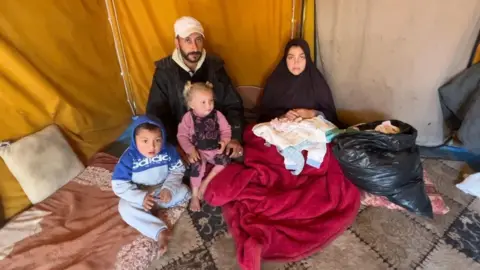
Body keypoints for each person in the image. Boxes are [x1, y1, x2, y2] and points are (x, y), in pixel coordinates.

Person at [146, 16, 244, 159]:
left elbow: (233, 105)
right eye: (187, 40)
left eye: (198, 39)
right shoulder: (165, 72)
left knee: (239, 164)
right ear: (177, 42)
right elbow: (157, 114)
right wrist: (176, 146)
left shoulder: (215, 67)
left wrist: (234, 137)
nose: (194, 47)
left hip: (217, 140)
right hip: (182, 142)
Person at [112, 115, 191, 256]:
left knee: (185, 191)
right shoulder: (128, 158)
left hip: (161, 191)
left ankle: (151, 208)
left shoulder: (169, 150)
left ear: (163, 138)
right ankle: (160, 232)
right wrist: (140, 197)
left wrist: (168, 188)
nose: (152, 147)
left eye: (157, 140)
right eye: (145, 141)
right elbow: (118, 184)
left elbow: (178, 169)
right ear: (135, 140)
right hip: (142, 194)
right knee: (123, 207)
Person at [258, 38, 341, 126]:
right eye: (291, 57)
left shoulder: (317, 82)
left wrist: (312, 113)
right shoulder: (274, 82)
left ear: (307, 60)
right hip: (281, 132)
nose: (296, 62)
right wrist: (282, 116)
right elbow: (263, 117)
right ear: (285, 60)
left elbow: (331, 116)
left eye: (302, 57)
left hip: (311, 133)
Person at [177, 81, 232, 211]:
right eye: (203, 102)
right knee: (197, 166)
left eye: (211, 101)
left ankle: (206, 182)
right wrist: (190, 150)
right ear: (191, 104)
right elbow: (182, 136)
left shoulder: (217, 115)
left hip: (215, 150)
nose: (208, 106)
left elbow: (226, 131)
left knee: (225, 159)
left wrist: (224, 142)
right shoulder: (188, 118)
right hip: (199, 151)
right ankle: (195, 195)